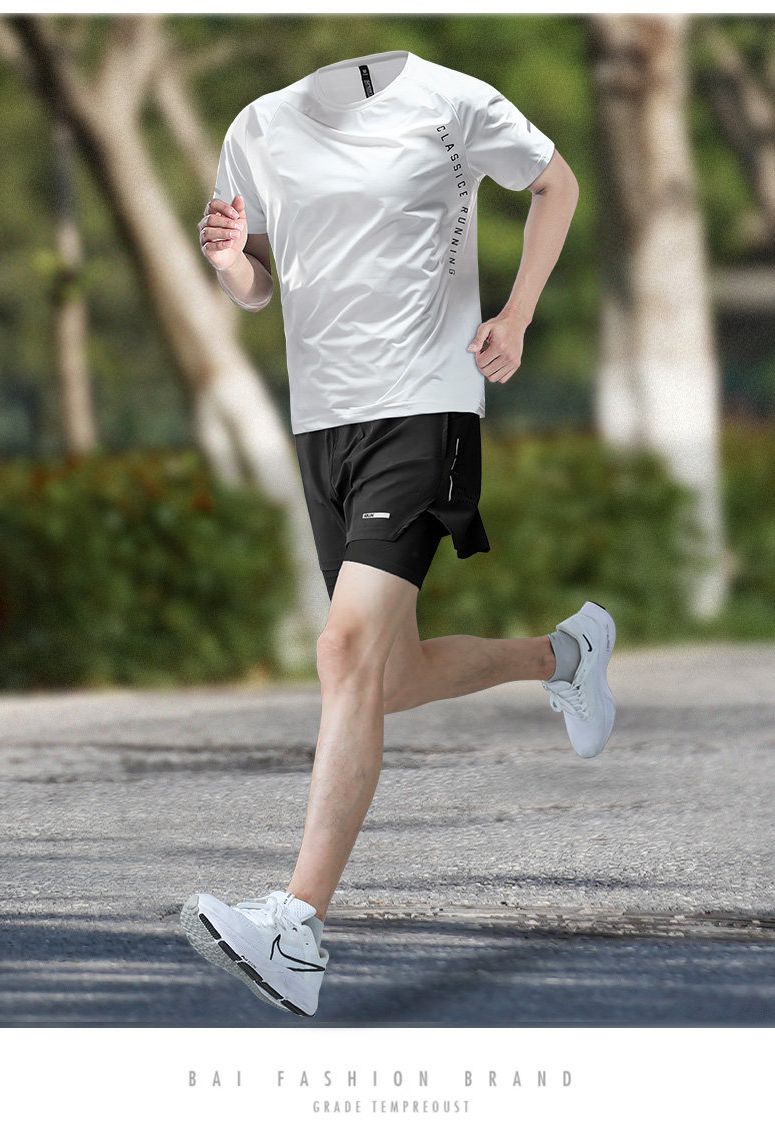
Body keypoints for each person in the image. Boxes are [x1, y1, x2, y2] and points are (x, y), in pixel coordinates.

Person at [181, 48, 616, 1018]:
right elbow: (257, 286)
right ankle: (566, 655)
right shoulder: (256, 127)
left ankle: (295, 928)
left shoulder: (453, 101)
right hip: (322, 421)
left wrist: (517, 314)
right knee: (384, 678)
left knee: (343, 651)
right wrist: (228, 261)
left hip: (425, 404)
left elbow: (556, 183)